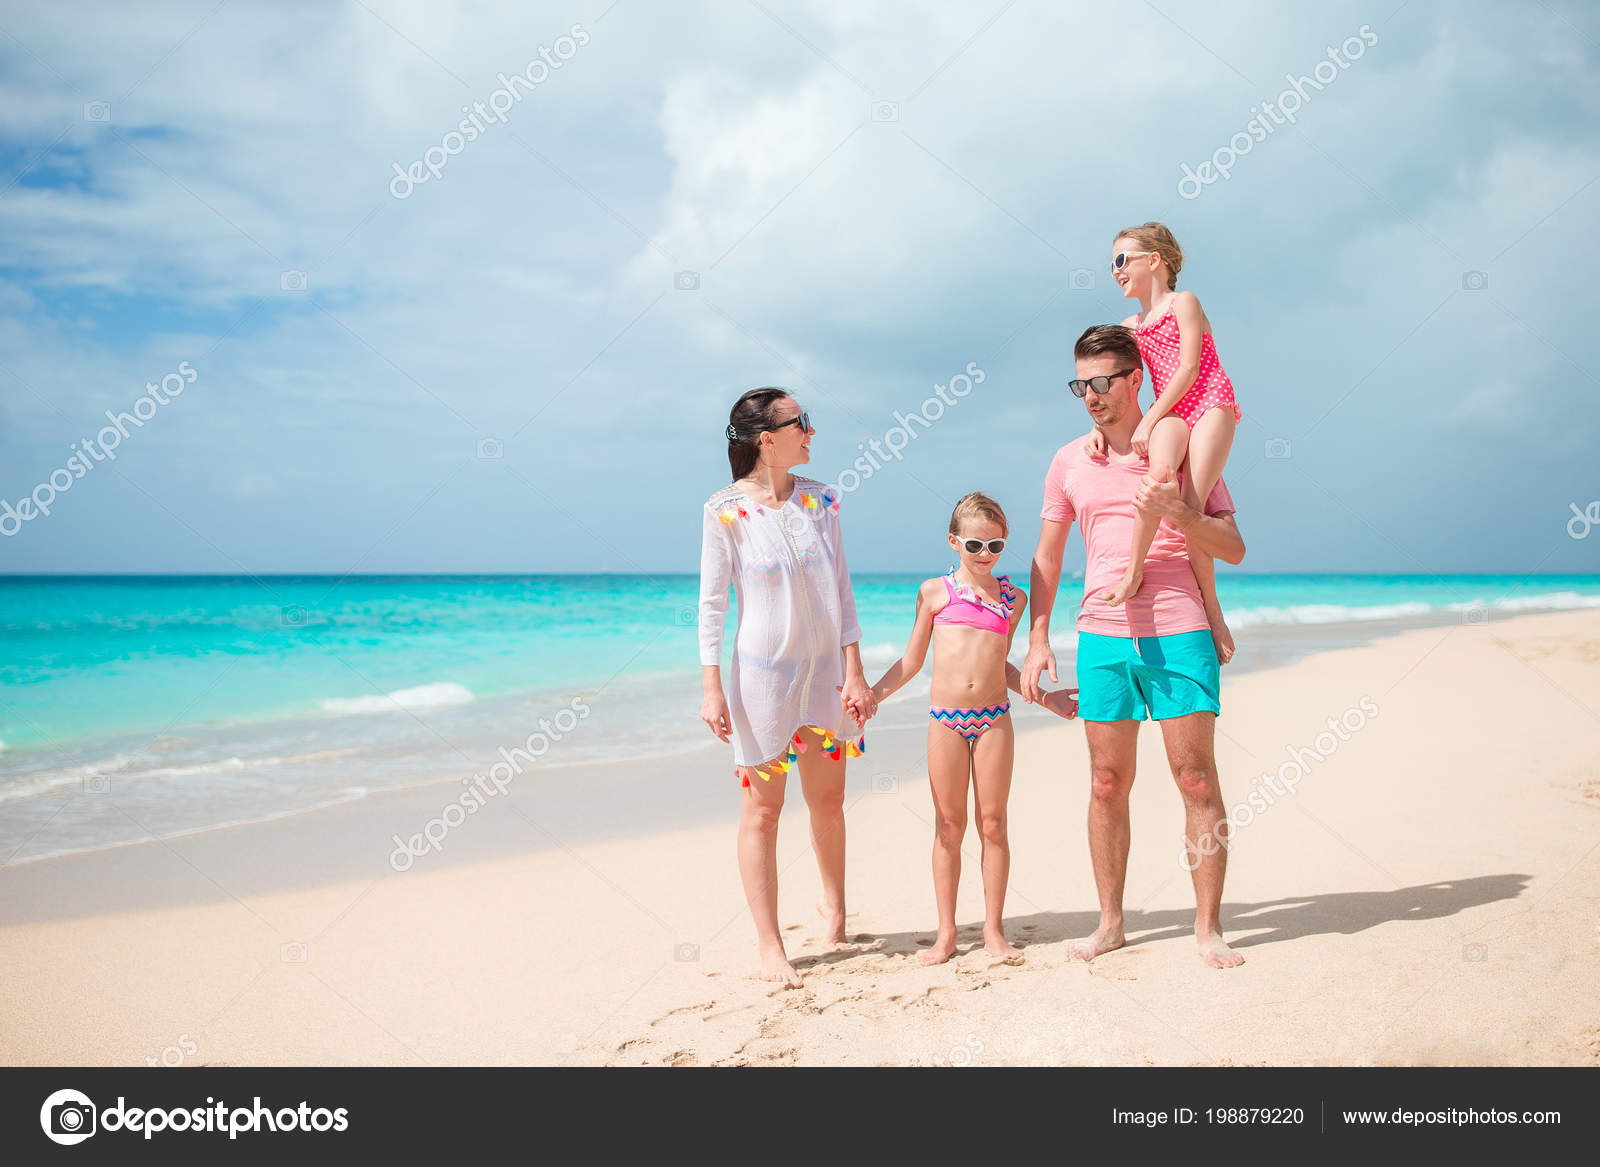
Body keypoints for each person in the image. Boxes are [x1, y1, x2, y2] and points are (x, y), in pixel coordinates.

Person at [1023, 325, 1248, 969]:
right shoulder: (1070, 460)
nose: (1090, 396)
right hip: (1101, 634)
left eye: (1101, 382)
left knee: (1195, 778)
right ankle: (1111, 923)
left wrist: (1179, 514)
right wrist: (1038, 638)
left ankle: (1208, 929)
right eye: (1080, 385)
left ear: (1136, 379)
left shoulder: (1182, 447)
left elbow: (1232, 548)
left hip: (1180, 627)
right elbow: (1046, 557)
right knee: (1104, 783)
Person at [698, 388, 875, 987]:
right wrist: (711, 687)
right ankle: (771, 946)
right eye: (802, 423)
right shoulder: (724, 510)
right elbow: (712, 605)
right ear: (766, 439)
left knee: (827, 801)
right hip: (761, 682)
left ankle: (836, 911)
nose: (812, 433)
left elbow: (843, 591)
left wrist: (854, 670)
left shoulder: (823, 500)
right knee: (764, 813)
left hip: (827, 676)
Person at [867, 493, 1079, 965]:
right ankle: (946, 934)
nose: (985, 555)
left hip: (993, 719)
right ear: (953, 542)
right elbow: (911, 662)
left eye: (996, 545)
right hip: (945, 720)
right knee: (948, 826)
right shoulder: (934, 593)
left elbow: (1003, 667)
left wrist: (1046, 698)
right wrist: (871, 696)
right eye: (975, 546)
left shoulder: (1012, 598)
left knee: (993, 823)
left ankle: (993, 930)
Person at [1090, 222, 1241, 666]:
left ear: (1153, 261)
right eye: (1111, 264)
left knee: (1192, 505)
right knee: (1157, 480)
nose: (1115, 270)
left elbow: (1190, 369)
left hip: (1210, 402)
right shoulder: (1130, 326)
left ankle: (1212, 611)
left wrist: (1150, 420)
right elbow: (1122, 387)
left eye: (1121, 260)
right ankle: (1134, 570)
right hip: (1170, 412)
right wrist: (1104, 426)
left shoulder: (1184, 302)